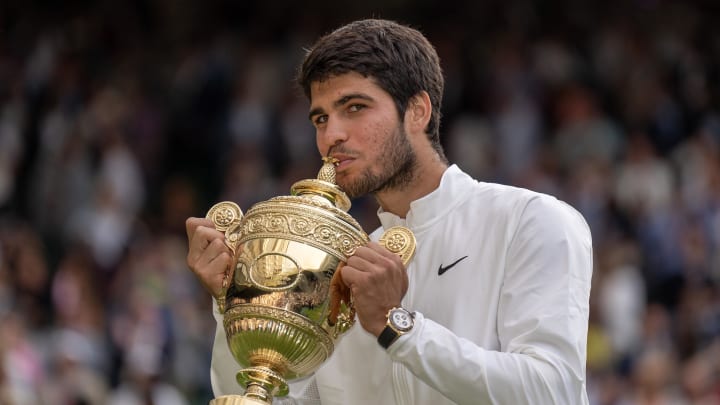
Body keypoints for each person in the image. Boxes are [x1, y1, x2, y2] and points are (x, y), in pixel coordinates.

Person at [185, 18, 593, 404]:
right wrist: (234, 303)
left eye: (355, 107)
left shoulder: (531, 220)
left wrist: (396, 326)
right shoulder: (336, 264)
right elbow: (273, 397)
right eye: (320, 118)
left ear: (418, 111)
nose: (331, 136)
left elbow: (551, 390)